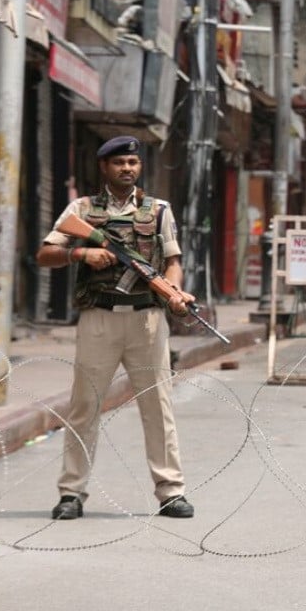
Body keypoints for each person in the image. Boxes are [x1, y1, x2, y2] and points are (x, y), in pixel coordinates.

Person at [36, 136, 196, 520]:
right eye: (120, 162)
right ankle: (71, 493)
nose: (127, 168)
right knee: (85, 407)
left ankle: (171, 491)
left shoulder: (159, 210)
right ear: (104, 167)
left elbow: (172, 262)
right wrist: (81, 253)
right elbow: (45, 254)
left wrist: (174, 292)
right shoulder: (81, 209)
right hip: (99, 319)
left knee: (158, 408)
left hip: (147, 320)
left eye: (133, 163)